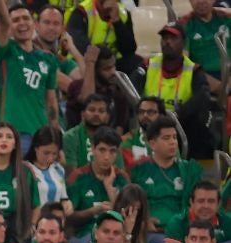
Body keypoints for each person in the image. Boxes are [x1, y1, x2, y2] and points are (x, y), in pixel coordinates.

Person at [133, 22, 212, 159]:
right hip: (149, 120)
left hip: (180, 120)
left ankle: (191, 168)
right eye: (165, 38)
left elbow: (203, 95)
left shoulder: (194, 70)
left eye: (173, 38)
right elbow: (132, 86)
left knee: (200, 127)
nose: (168, 42)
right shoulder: (148, 65)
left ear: (183, 43)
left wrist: (178, 114)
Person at [0, 0, 58, 151]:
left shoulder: (48, 59)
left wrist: (54, 136)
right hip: (13, 133)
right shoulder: (7, 51)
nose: (22, 23)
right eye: (15, 20)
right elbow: (3, 22)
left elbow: (51, 101)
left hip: (41, 136)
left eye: (25, 18)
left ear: (34, 22)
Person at [66, 126, 128, 243]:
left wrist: (110, 191)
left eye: (112, 151)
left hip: (117, 236)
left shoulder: (122, 178)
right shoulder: (78, 177)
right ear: (93, 149)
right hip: (86, 234)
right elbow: (69, 218)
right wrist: (93, 211)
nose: (106, 157)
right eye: (102, 150)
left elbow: (128, 218)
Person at [65, 0, 137, 74]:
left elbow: (129, 49)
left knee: (136, 62)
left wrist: (117, 21)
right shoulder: (81, 11)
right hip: (85, 60)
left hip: (112, 63)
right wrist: (104, 58)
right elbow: (79, 44)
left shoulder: (123, 12)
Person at [164, 182, 231, 243]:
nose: (206, 206)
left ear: (218, 204)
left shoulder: (227, 223)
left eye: (211, 201)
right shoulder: (177, 224)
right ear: (191, 202)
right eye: (201, 201)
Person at [63, 94, 120, 173]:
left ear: (107, 117)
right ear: (83, 114)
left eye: (101, 111)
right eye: (92, 110)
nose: (96, 114)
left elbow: (119, 171)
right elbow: (71, 176)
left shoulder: (114, 139)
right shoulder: (70, 138)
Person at [25, 126, 68, 211]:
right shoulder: (26, 169)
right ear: (36, 148)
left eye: (54, 154)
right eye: (46, 153)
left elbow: (63, 198)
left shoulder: (59, 169)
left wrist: (67, 205)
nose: (50, 158)